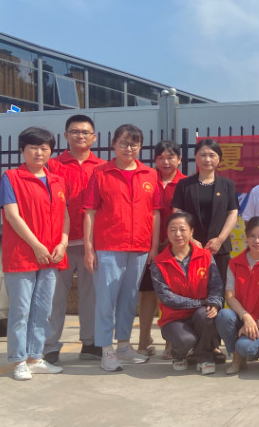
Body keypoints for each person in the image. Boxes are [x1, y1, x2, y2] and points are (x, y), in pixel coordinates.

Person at [83, 124, 162, 372]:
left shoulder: (150, 174)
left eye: (134, 144)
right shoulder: (100, 173)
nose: (129, 148)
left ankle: (124, 346)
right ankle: (106, 350)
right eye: (124, 143)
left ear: (140, 147)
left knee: (129, 300)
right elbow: (90, 212)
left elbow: (155, 213)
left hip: (139, 247)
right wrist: (89, 248)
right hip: (108, 246)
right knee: (106, 301)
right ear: (114, 145)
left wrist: (153, 246)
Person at [0, 127, 69, 381]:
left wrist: (62, 243)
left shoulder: (57, 180)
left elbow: (65, 215)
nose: (39, 152)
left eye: (44, 148)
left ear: (51, 151)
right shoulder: (11, 177)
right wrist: (36, 245)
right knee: (21, 310)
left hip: (51, 256)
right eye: (33, 147)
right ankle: (19, 360)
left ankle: (35, 357)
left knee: (43, 310)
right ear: (22, 150)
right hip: (22, 254)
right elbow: (12, 215)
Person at [42, 115, 105, 366]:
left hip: (93, 243)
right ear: (65, 135)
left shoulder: (102, 167)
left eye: (85, 132)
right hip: (59, 242)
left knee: (92, 296)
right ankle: (49, 346)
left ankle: (90, 343)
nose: (80, 136)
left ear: (94, 137)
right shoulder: (52, 165)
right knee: (54, 296)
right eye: (75, 131)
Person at [172, 138, 239, 363]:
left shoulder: (227, 185)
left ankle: (214, 345)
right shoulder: (185, 185)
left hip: (218, 249)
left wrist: (220, 239)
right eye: (202, 154)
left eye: (212, 155)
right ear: (195, 158)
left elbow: (233, 213)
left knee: (216, 297)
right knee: (192, 295)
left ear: (219, 159)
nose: (207, 159)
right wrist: (190, 240)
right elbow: (177, 213)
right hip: (189, 251)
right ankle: (194, 343)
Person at [151, 212, 223, 375]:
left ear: (191, 232)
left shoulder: (205, 256)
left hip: (199, 314)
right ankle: (179, 355)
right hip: (173, 318)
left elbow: (216, 284)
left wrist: (214, 302)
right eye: (172, 230)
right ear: (167, 233)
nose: (178, 234)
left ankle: (204, 357)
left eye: (182, 229)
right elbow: (166, 297)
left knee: (208, 314)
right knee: (186, 340)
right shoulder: (159, 262)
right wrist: (200, 302)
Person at [136, 141, 185, 359]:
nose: (166, 162)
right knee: (147, 294)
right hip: (148, 247)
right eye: (161, 158)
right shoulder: (146, 179)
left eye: (171, 157)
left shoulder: (185, 183)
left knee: (171, 295)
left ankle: (170, 342)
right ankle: (144, 339)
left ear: (179, 160)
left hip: (176, 247)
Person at [216, 216, 259, 375]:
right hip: (243, 318)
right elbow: (230, 296)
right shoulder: (234, 263)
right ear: (246, 236)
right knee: (223, 315)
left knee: (246, 348)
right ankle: (237, 357)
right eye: (252, 236)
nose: (256, 241)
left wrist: (257, 324)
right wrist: (246, 317)